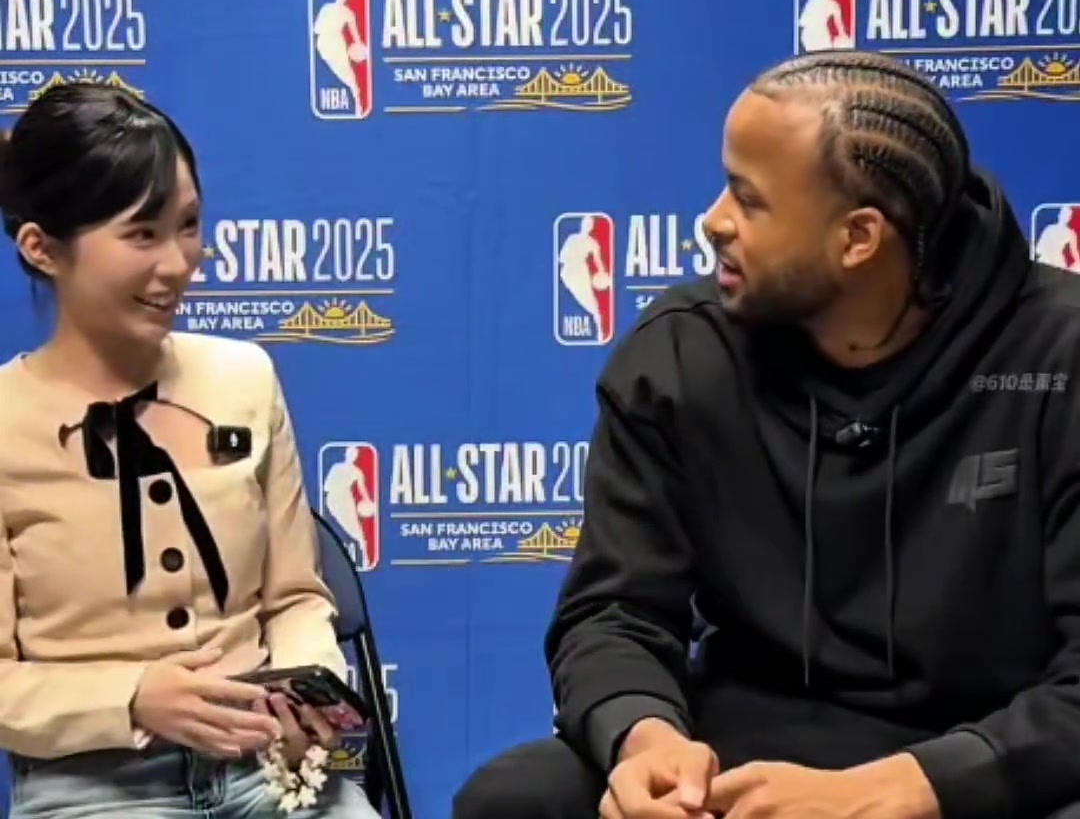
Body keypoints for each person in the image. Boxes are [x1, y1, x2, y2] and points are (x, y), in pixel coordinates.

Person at [453, 50, 1080, 819]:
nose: (713, 221)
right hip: (743, 750)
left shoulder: (1060, 356)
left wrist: (911, 787)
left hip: (984, 762)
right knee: (516, 798)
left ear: (858, 237)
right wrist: (646, 741)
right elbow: (615, 613)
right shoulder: (680, 356)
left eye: (749, 200)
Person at [0, 82, 378, 818]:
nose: (180, 263)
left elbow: (296, 597)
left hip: (268, 768)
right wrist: (132, 696)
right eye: (142, 234)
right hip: (94, 788)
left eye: (189, 226)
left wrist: (307, 690)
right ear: (42, 248)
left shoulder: (245, 378)